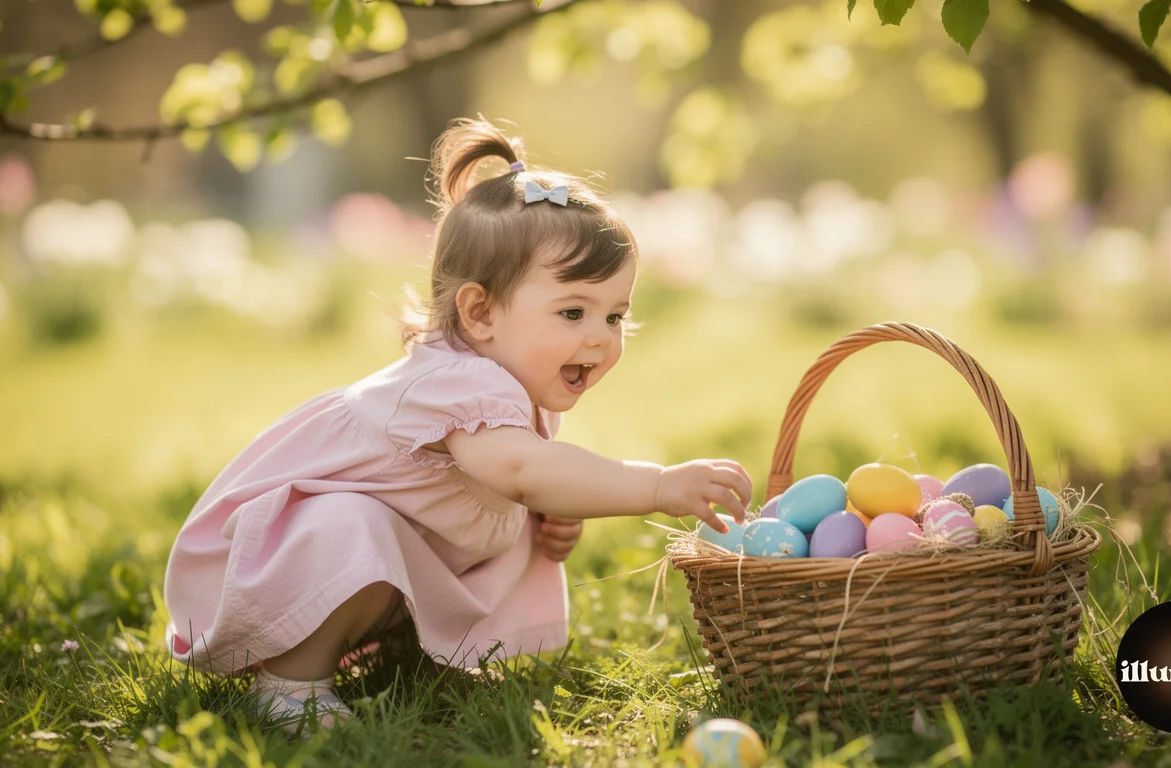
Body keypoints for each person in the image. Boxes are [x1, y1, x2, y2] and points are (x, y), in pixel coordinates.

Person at [160, 117, 753, 734]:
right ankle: (289, 685)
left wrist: (547, 513)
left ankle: (426, 653)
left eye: (615, 316)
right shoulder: (456, 384)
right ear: (479, 312)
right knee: (350, 521)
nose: (600, 339)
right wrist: (655, 487)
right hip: (257, 569)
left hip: (363, 558)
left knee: (509, 507)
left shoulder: (510, 381)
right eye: (574, 311)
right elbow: (522, 470)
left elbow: (513, 479)